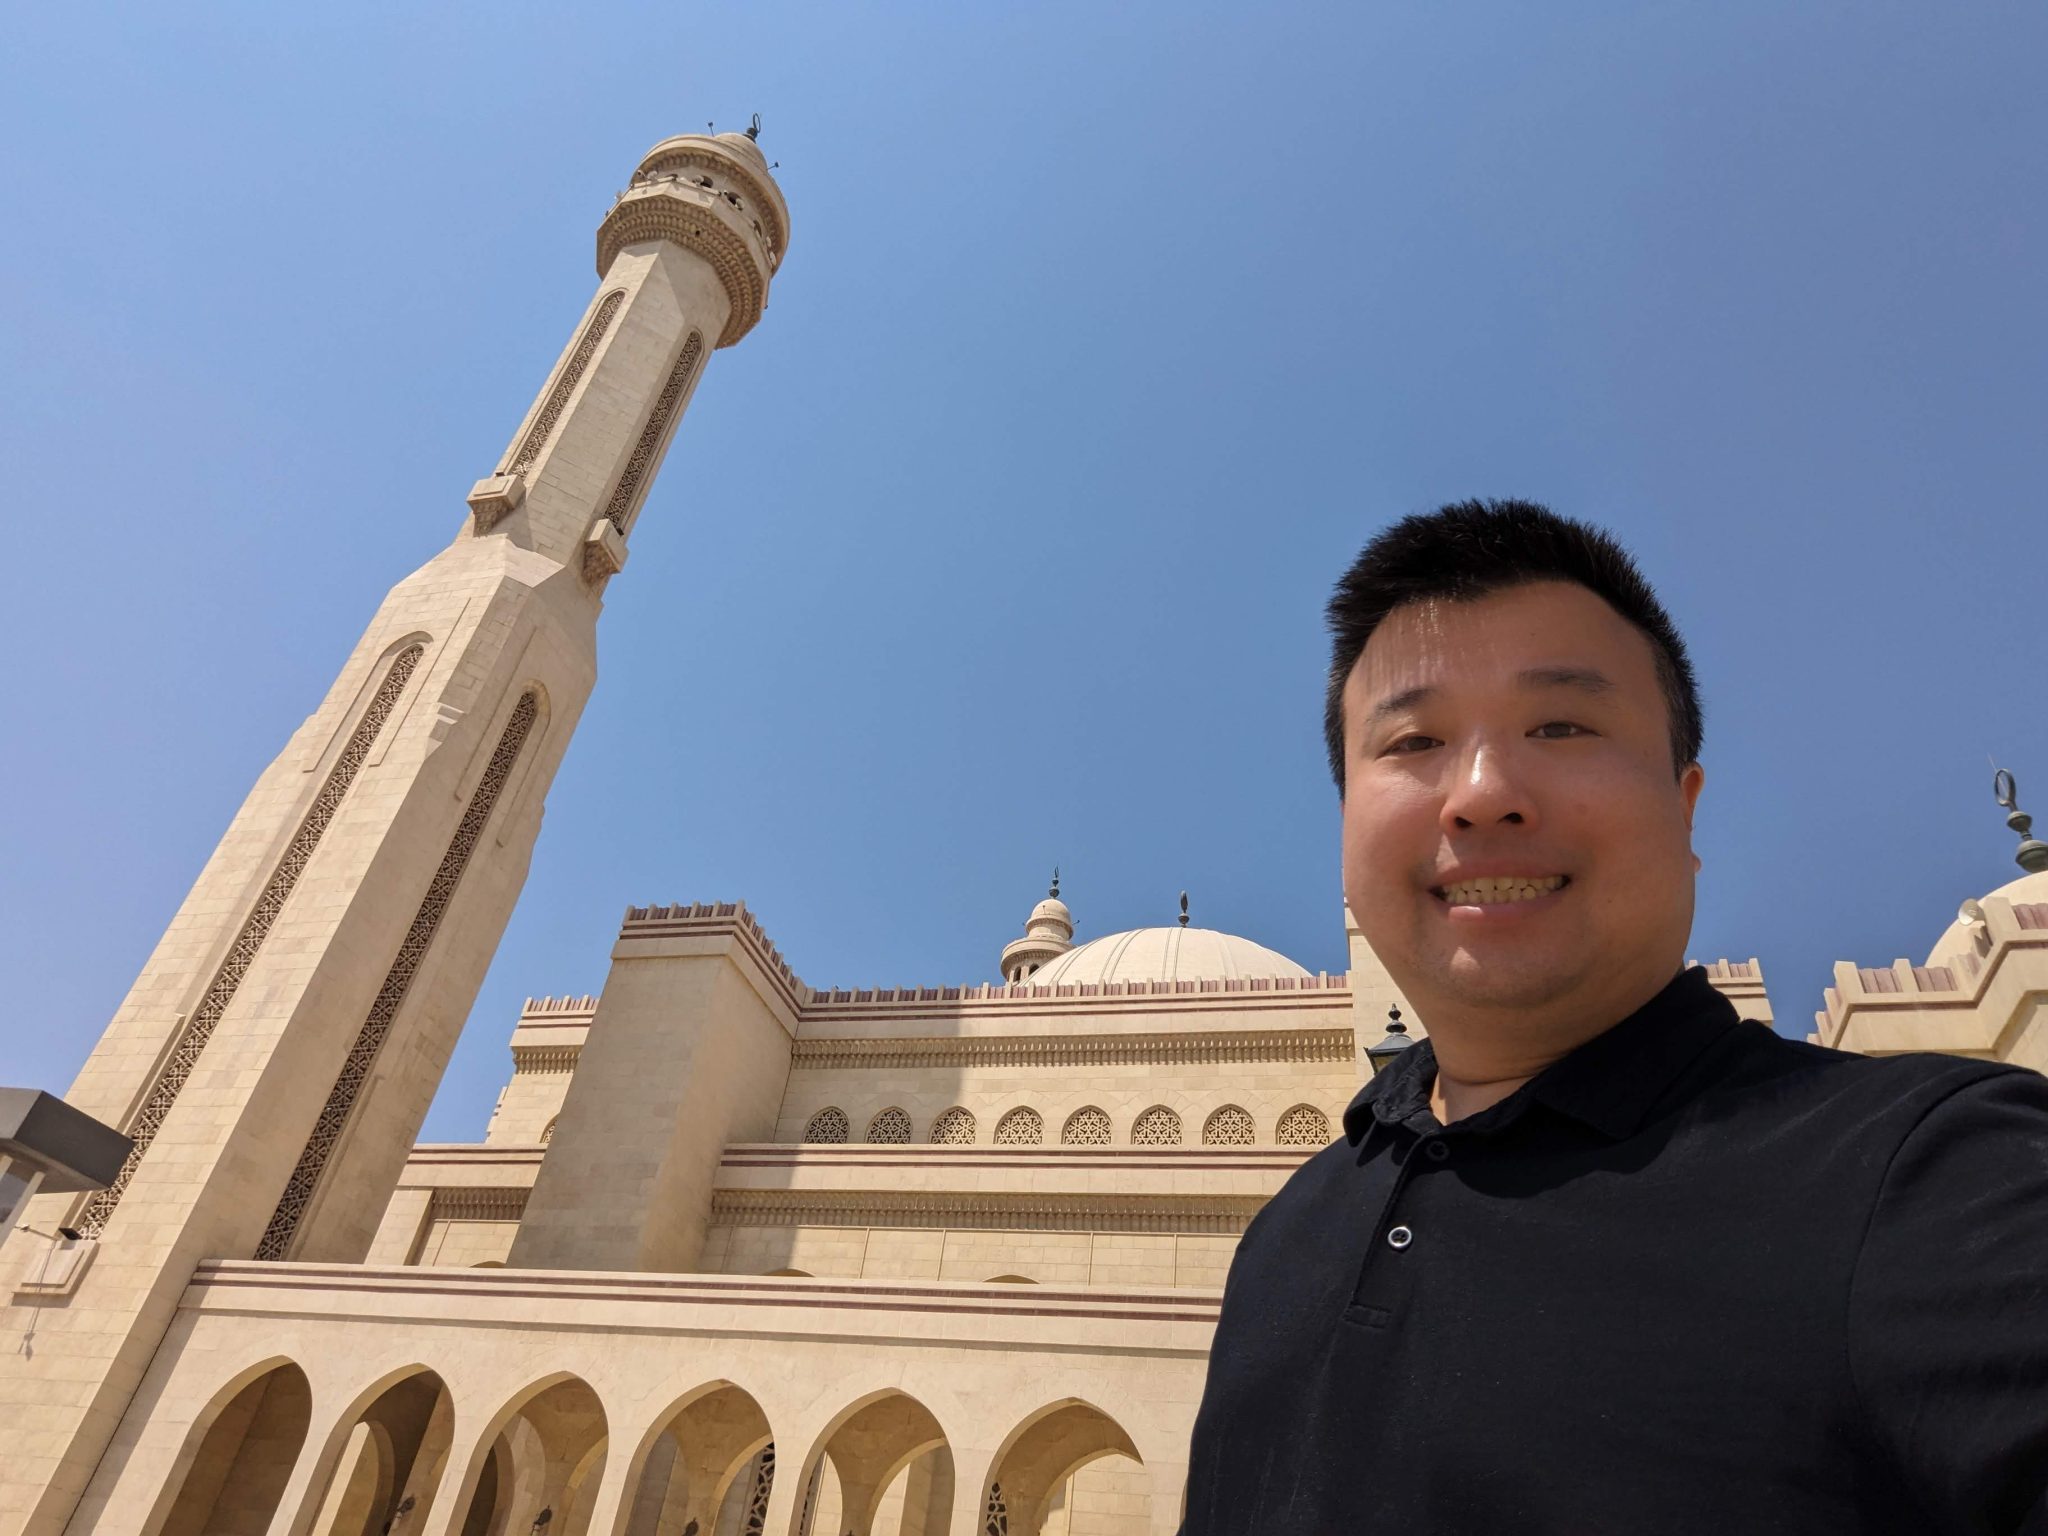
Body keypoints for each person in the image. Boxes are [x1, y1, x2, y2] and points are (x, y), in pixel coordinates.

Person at [1179, 499, 2048, 1534]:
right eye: (1414, 739)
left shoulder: (1934, 1178)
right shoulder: (1287, 1238)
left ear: (1684, 805)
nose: (1482, 793)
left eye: (1560, 725)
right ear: (1345, 825)